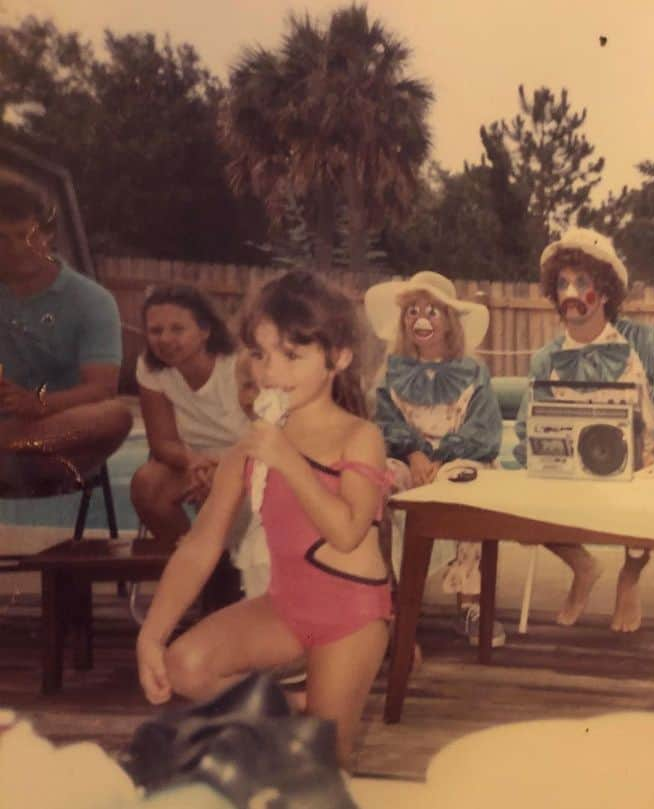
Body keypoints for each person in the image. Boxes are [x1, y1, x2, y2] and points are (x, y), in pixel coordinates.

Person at [135, 269, 392, 769]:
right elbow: (200, 545)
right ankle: (295, 707)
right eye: (259, 352)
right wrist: (152, 633)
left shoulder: (358, 437)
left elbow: (346, 531)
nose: (270, 371)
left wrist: (288, 461)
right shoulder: (250, 447)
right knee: (184, 667)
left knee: (324, 761)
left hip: (351, 616)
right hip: (287, 606)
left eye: (291, 356)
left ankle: (319, 716)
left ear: (337, 358)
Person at [513, 228, 654, 632]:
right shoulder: (546, 359)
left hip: (642, 470)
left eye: (582, 283)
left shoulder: (646, 343)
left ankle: (630, 576)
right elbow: (525, 430)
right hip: (571, 477)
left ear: (604, 292)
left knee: (645, 492)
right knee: (515, 499)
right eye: (563, 283)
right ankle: (582, 565)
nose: (571, 292)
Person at [364, 270, 505, 647]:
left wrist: (443, 458)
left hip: (456, 458)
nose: (421, 319)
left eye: (432, 311)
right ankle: (391, 596)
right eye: (412, 311)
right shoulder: (391, 370)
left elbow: (484, 430)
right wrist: (412, 453)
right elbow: (382, 422)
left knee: (471, 481)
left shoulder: (473, 372)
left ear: (449, 321)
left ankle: (470, 603)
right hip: (410, 459)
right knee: (381, 479)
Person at [129, 286, 272, 596]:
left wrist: (223, 471)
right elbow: (162, 441)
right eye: (156, 330)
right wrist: (194, 463)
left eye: (177, 328)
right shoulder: (151, 368)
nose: (165, 338)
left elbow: (269, 436)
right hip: (194, 462)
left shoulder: (239, 363)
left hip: (249, 459)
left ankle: (233, 581)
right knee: (147, 484)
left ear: (205, 330)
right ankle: (207, 574)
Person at [0, 176, 132, 491]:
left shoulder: (91, 300)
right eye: (3, 238)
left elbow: (101, 389)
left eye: (26, 235)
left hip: (58, 445)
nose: (18, 248)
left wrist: (38, 404)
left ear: (48, 236)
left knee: (117, 415)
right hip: (7, 436)